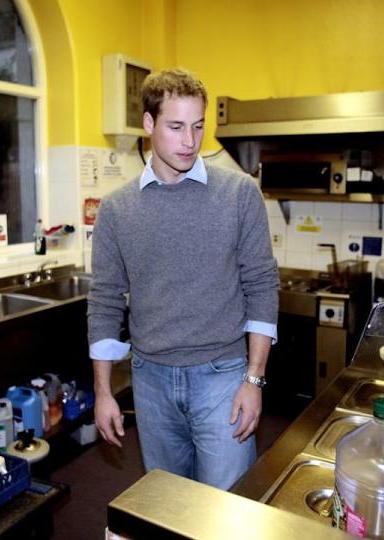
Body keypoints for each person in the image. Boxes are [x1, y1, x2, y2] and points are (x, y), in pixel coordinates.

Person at [87, 67, 279, 490]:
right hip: (150, 379)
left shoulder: (239, 193)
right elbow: (105, 300)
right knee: (168, 505)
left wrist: (254, 379)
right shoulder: (117, 209)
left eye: (197, 127)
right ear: (149, 124)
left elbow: (262, 285)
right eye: (175, 127)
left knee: (226, 510)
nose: (190, 142)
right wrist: (103, 392)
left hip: (223, 377)